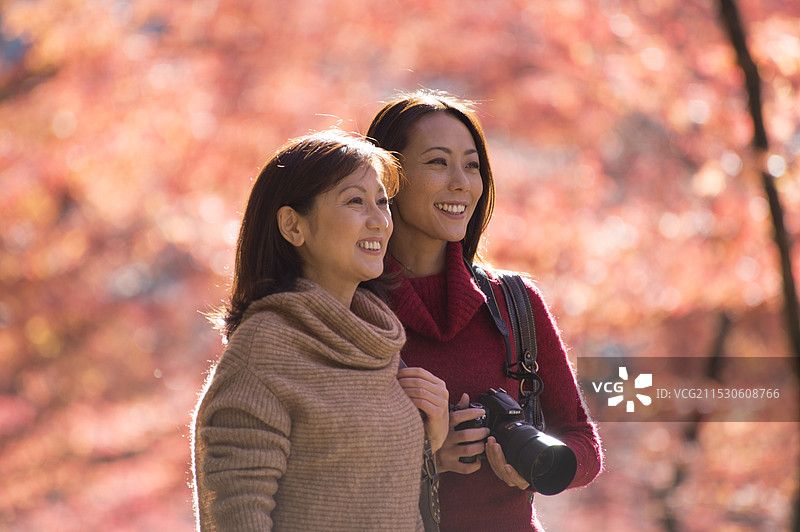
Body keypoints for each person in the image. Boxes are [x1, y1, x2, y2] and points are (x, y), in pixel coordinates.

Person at [366, 90, 604, 531]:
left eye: (472, 165)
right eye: (438, 162)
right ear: (388, 179)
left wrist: (540, 460)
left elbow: (582, 439)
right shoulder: (351, 310)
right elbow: (310, 469)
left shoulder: (514, 303)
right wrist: (429, 460)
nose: (462, 182)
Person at [191, 130, 449, 531]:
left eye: (382, 202)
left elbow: (369, 494)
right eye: (355, 202)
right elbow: (237, 517)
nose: (380, 221)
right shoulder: (263, 351)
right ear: (293, 227)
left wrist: (427, 441)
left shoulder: (375, 341)